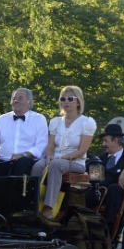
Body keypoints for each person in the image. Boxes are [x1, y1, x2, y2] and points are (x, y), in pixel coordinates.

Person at [30, 86, 97, 220]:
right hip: (55, 157)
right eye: (63, 99)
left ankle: (48, 207)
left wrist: (60, 157)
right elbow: (50, 146)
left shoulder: (87, 122)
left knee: (56, 164)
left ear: (78, 102)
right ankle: (32, 203)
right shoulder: (55, 122)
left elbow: (82, 151)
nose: (65, 101)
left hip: (75, 162)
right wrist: (49, 155)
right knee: (37, 165)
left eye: (70, 98)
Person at [0, 88, 48, 177]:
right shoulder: (2, 119)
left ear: (29, 102)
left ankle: (16, 191)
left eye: (20, 98)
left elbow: (41, 146)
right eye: (14, 98)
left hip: (26, 162)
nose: (16, 100)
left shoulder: (39, 119)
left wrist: (23, 155)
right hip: (2, 163)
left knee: (23, 162)